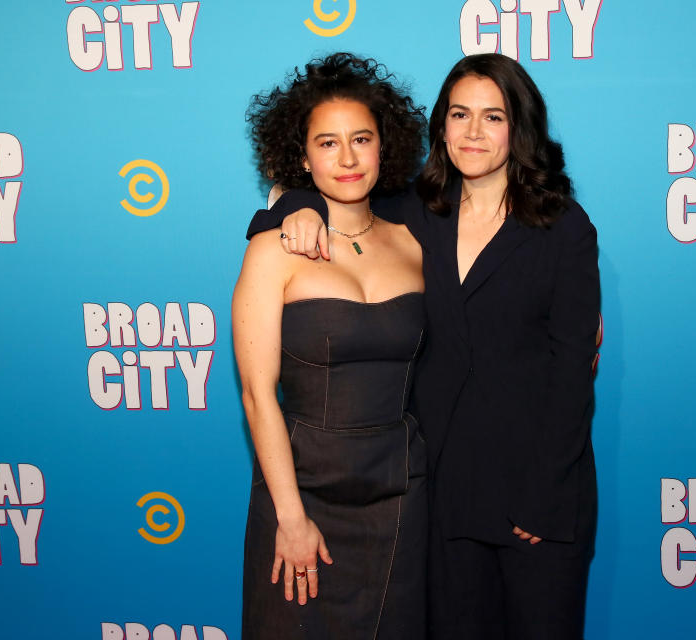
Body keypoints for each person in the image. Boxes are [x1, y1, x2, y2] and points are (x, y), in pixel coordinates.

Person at [248, 53, 600, 640]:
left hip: (536, 500)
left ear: (521, 126)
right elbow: (329, 191)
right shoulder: (416, 213)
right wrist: (296, 207)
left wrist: (544, 499)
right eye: (460, 114)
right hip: (440, 497)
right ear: (441, 125)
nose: (474, 132)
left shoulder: (563, 227)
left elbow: (571, 377)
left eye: (494, 116)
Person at [233, 52, 429, 640]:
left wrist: (573, 305)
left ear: (383, 146)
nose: (347, 158)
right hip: (302, 490)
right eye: (327, 143)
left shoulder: (418, 242)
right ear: (301, 156)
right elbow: (256, 395)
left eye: (361, 139)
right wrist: (290, 518)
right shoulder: (274, 250)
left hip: (402, 493)